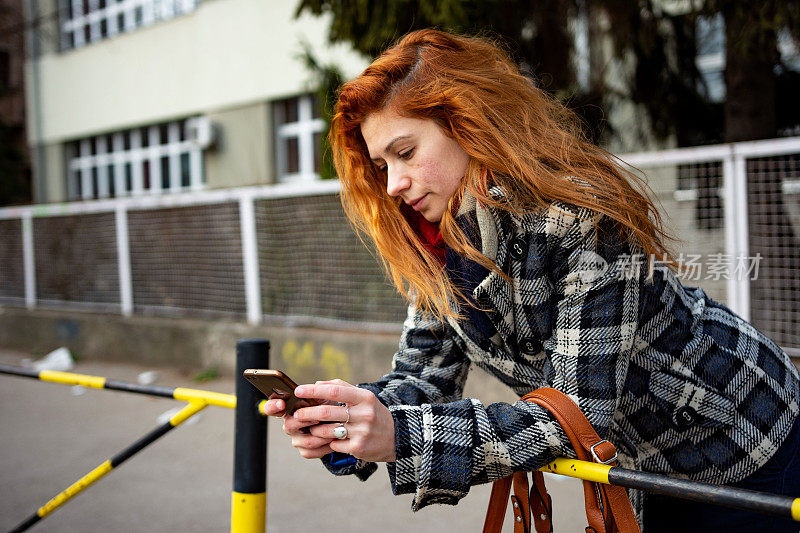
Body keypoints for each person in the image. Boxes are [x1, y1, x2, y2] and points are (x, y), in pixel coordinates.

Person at [263, 29, 800, 532]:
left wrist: (398, 436)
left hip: (744, 439)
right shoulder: (437, 244)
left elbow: (574, 414)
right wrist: (347, 419)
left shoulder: (581, 219)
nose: (395, 184)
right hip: (642, 465)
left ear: (468, 124)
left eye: (405, 152)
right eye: (381, 165)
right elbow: (423, 379)